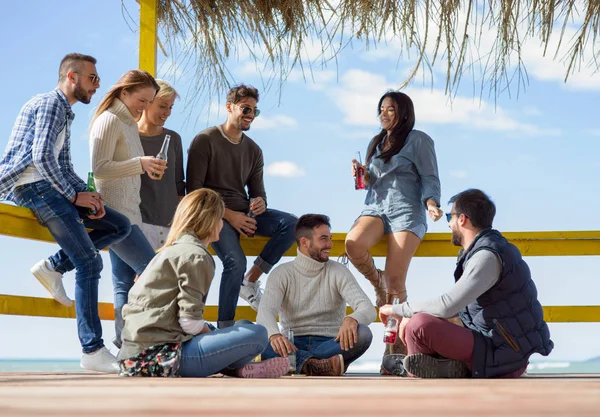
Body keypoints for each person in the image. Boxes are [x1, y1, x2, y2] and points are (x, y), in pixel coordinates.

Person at [0, 53, 131, 372]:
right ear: (71, 77)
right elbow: (42, 158)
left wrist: (88, 195)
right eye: (93, 78)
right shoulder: (51, 104)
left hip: (51, 185)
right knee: (89, 260)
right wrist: (74, 194)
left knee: (118, 225)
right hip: (33, 187)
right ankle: (92, 351)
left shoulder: (65, 113)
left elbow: (63, 166)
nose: (97, 85)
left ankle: (53, 266)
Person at [378, 189, 554, 378]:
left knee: (418, 325)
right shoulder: (487, 249)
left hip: (505, 353)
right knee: (418, 323)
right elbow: (459, 310)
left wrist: (399, 310)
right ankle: (445, 367)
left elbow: (447, 305)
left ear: (462, 219)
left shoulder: (487, 256)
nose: (449, 225)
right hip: (496, 345)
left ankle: (421, 370)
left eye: (449, 217)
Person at [117, 188, 289, 378]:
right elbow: (189, 323)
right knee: (256, 334)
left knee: (244, 324)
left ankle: (236, 368)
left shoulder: (174, 250)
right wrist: (214, 333)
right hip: (160, 358)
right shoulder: (195, 255)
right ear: (210, 220)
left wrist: (215, 334)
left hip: (134, 356)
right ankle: (235, 367)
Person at [187, 84, 297, 329]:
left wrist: (259, 203)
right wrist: (231, 216)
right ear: (229, 107)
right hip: (213, 214)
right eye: (246, 108)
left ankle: (250, 281)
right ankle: (225, 329)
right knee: (235, 261)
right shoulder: (204, 140)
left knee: (293, 224)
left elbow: (258, 193)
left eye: (255, 111)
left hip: (244, 214)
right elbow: (194, 193)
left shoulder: (254, 150)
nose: (250, 115)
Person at [344, 90, 443, 362]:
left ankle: (394, 353)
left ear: (404, 113)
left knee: (396, 282)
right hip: (375, 207)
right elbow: (370, 183)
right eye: (382, 109)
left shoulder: (419, 139)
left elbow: (430, 176)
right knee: (353, 244)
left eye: (390, 109)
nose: (384, 114)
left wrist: (431, 203)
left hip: (406, 210)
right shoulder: (376, 142)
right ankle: (378, 285)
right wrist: (361, 174)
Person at [90, 69, 167, 348]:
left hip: (131, 212)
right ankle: (144, 342)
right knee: (152, 271)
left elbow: (125, 167)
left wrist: (145, 167)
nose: (144, 108)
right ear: (125, 92)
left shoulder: (129, 125)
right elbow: (99, 169)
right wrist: (141, 164)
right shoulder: (108, 120)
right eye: (142, 100)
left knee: (123, 283)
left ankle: (125, 346)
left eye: (149, 103)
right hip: (114, 214)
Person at [257, 214, 376, 376]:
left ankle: (300, 364)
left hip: (330, 344)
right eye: (324, 239)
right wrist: (274, 335)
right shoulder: (281, 273)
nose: (330, 244)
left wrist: (352, 318)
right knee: (255, 336)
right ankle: (317, 365)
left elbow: (368, 309)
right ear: (305, 242)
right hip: (292, 344)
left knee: (363, 333)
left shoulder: (338, 271)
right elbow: (265, 312)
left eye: (330, 238)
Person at [137, 79, 185, 250]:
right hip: (138, 220)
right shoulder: (129, 135)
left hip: (170, 224)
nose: (167, 113)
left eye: (170, 107)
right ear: (148, 102)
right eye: (163, 106)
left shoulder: (174, 139)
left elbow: (179, 184)